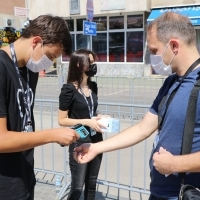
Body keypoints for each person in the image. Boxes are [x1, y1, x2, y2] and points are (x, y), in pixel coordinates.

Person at [74, 12, 200, 200]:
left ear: (173, 45)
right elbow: (142, 129)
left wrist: (175, 164)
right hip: (159, 193)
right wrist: (95, 148)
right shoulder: (171, 83)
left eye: (155, 51)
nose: (153, 58)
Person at [0, 15, 80, 200]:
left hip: (25, 178)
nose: (49, 63)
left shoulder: (30, 69)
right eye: (50, 56)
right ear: (36, 41)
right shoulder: (2, 68)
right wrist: (52, 135)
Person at [58, 49, 106, 200]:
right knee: (77, 187)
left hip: (96, 140)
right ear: (79, 64)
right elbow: (62, 120)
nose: (93, 65)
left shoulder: (93, 87)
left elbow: (89, 111)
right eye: (90, 62)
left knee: (91, 184)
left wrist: (97, 118)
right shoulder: (68, 90)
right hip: (79, 140)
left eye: (93, 62)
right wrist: (86, 121)